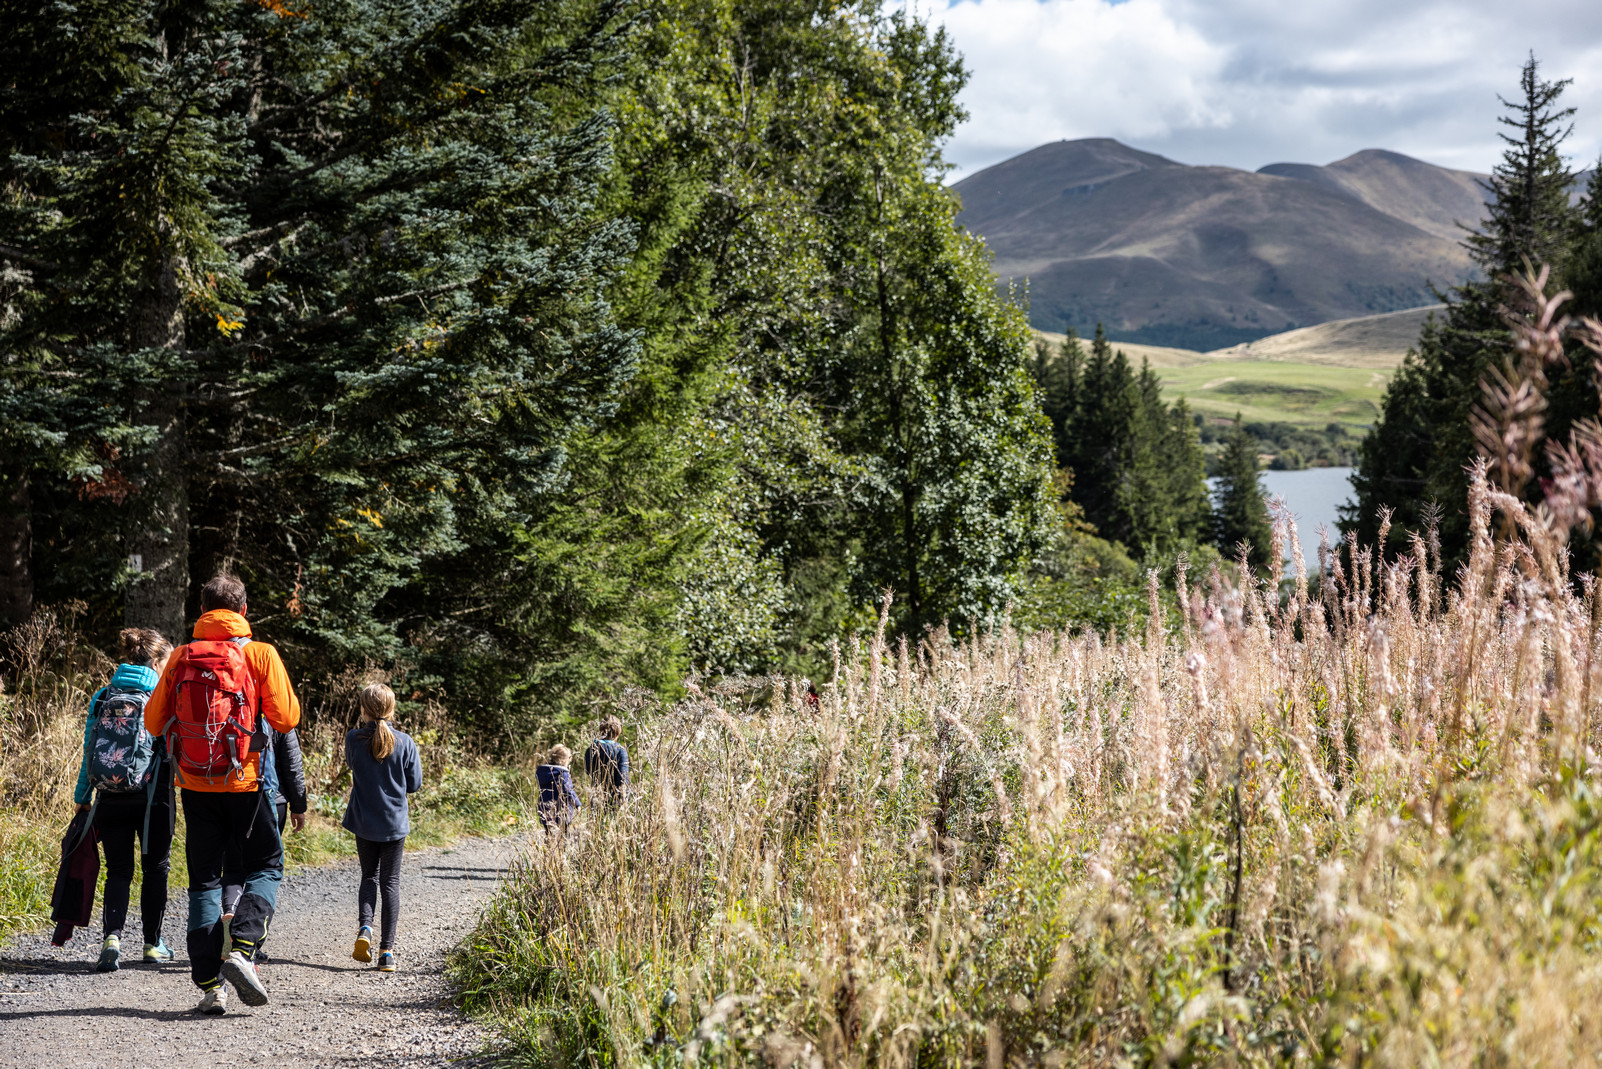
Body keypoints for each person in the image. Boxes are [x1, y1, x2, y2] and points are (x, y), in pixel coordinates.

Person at [144, 573, 301, 1016]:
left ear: (203, 610)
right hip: (246, 783)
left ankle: (210, 986)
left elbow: (154, 724)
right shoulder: (260, 654)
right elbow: (287, 718)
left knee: (204, 882)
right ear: (244, 611)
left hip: (194, 785)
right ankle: (244, 950)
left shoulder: (179, 657)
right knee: (267, 865)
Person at [73, 628, 175, 971]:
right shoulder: (163, 694)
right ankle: (152, 943)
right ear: (158, 661)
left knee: (118, 870)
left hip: (109, 796)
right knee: (155, 869)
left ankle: (112, 939)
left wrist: (83, 797)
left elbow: (90, 747)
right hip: (152, 799)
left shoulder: (103, 695)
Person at [342, 683, 422, 973]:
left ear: (363, 710)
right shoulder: (405, 742)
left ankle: (365, 927)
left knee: (368, 877)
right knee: (390, 883)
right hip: (394, 824)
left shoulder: (353, 739)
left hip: (364, 821)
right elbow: (414, 785)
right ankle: (386, 952)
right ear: (392, 709)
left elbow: (353, 765)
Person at [220, 722, 307, 961]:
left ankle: (229, 911)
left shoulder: (226, 704)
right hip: (269, 799)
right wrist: (299, 806)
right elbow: (292, 764)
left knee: (233, 867)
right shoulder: (275, 709)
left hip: (224, 793)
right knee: (263, 870)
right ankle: (249, 943)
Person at [582, 716, 629, 806]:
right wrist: (624, 798)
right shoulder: (620, 750)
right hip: (615, 798)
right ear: (618, 733)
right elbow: (623, 778)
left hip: (596, 795)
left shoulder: (591, 749)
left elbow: (588, 771)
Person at [536, 744, 581, 832]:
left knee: (549, 832)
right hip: (561, 808)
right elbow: (568, 790)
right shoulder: (562, 773)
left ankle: (549, 845)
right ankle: (562, 845)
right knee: (564, 832)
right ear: (563, 760)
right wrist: (577, 803)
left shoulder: (542, 772)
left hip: (545, 806)